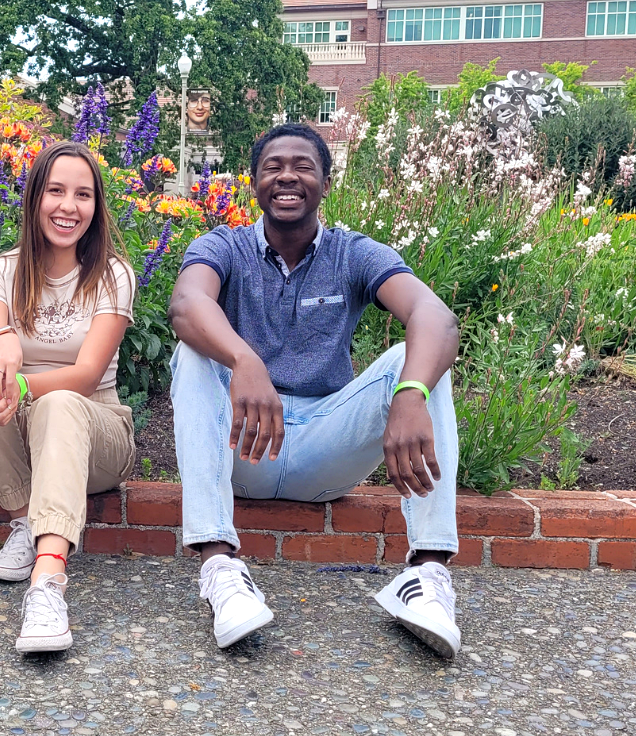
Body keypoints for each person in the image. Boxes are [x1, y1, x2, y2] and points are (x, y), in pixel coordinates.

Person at [168, 122, 464, 658]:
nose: (287, 176)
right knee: (192, 350)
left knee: (415, 362)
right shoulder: (224, 246)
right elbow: (187, 305)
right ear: (253, 182)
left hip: (325, 450)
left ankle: (426, 578)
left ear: (325, 182)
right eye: (273, 166)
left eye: (303, 166)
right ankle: (219, 568)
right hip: (244, 449)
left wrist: (410, 392)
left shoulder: (352, 253)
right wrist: (243, 358)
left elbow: (435, 317)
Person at [0, 140, 137, 654]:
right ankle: (25, 520)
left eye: (83, 195)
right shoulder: (2, 271)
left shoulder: (113, 275)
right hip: (25, 429)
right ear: (34, 199)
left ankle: (48, 583)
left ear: (96, 208)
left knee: (57, 403)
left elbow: (87, 372)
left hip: (98, 432)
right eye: (55, 191)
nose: (68, 207)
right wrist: (3, 339)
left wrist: (27, 385)